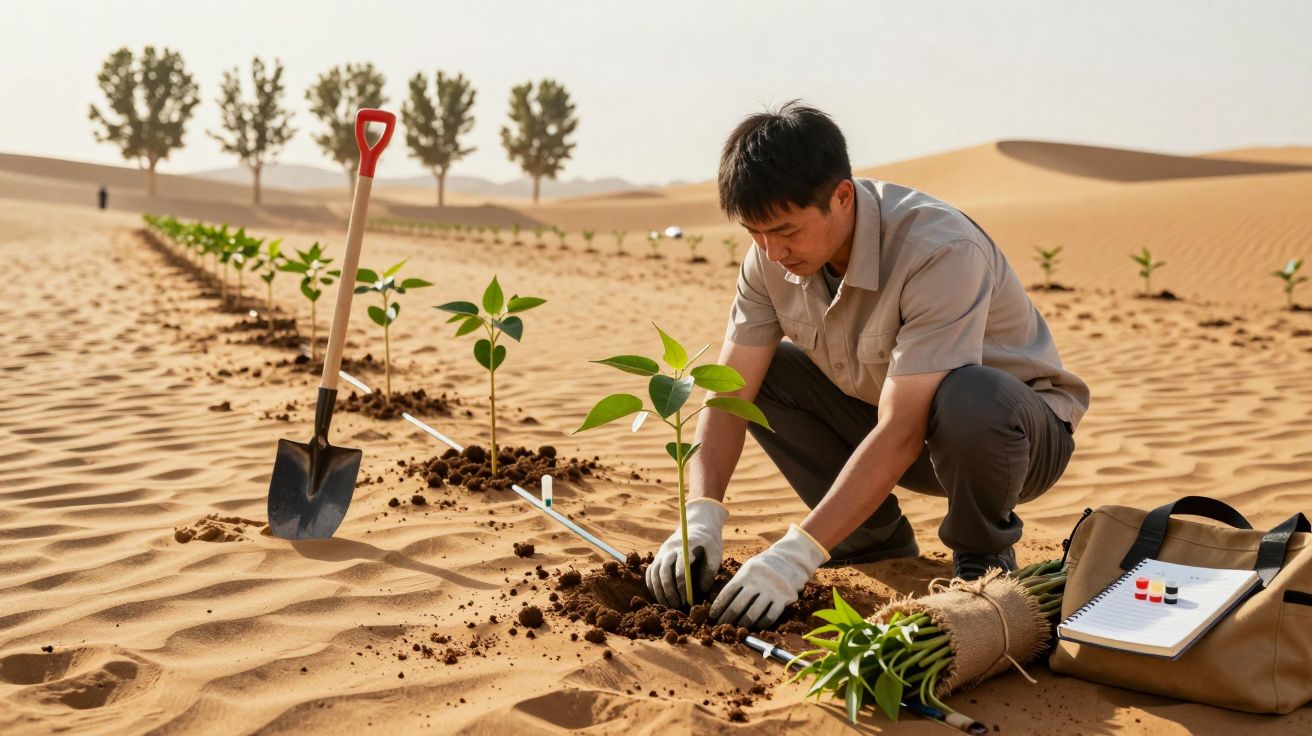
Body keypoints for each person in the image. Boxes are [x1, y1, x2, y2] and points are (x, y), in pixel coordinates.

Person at [643, 102, 1089, 630]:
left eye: (786, 231)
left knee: (970, 395)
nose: (772, 251)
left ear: (842, 197)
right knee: (764, 376)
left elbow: (904, 426)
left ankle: (980, 558)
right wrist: (702, 513)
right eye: (754, 233)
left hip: (1010, 439)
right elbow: (731, 393)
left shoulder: (938, 249)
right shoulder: (768, 255)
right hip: (892, 430)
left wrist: (797, 554)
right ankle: (870, 540)